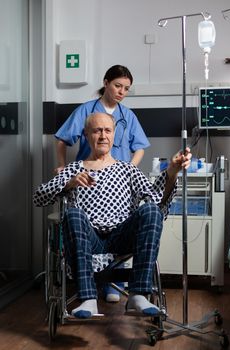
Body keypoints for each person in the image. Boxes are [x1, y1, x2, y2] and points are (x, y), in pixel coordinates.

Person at [34, 112, 191, 319]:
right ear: (86, 135)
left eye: (107, 130)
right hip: (89, 239)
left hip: (121, 236)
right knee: (72, 215)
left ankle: (138, 294)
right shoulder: (73, 169)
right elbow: (39, 198)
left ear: (114, 134)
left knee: (151, 210)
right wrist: (69, 183)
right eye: (97, 130)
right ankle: (88, 299)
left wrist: (172, 171)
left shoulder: (127, 169)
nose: (102, 135)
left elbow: (158, 199)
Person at [54, 64, 150, 302]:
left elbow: (140, 148)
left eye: (126, 88)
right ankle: (89, 287)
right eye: (117, 85)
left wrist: (129, 169)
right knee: (89, 224)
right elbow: (62, 141)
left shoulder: (128, 115)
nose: (121, 92)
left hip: (119, 184)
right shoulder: (87, 110)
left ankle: (114, 284)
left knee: (122, 222)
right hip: (90, 181)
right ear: (106, 83)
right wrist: (62, 167)